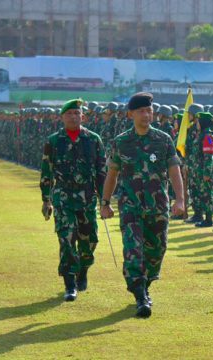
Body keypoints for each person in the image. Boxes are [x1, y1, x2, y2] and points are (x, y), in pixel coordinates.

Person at [100, 92, 185, 318]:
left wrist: (181, 199)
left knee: (157, 249)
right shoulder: (121, 142)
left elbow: (174, 170)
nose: (146, 115)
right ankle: (140, 295)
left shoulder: (164, 139)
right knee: (132, 249)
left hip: (158, 206)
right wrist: (105, 202)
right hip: (130, 207)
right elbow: (112, 174)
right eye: (141, 111)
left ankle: (145, 285)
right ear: (131, 114)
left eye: (149, 110)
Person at [40, 98, 106, 302]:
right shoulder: (53, 141)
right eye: (69, 114)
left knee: (90, 240)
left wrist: (105, 200)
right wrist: (46, 200)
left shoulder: (93, 139)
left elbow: (102, 170)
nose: (73, 117)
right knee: (67, 239)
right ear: (62, 117)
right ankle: (70, 284)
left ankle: (83, 270)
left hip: (87, 199)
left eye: (77, 114)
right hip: (63, 198)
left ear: (83, 117)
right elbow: (46, 172)